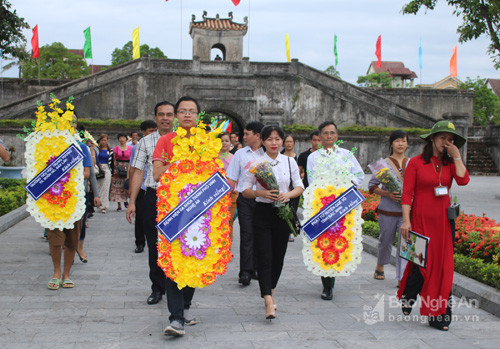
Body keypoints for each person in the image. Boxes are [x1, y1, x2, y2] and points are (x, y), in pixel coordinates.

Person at [397, 120, 469, 331]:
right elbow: (407, 194)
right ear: (432, 139)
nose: (446, 142)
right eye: (442, 138)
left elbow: (463, 180)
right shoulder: (416, 163)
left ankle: (440, 316)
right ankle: (409, 295)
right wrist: (406, 221)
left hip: (444, 224)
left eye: (450, 139)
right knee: (421, 266)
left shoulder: (450, 163)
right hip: (419, 221)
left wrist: (456, 156)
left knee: (443, 268)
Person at [242, 125, 304, 320]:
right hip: (262, 213)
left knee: (278, 257)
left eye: (277, 139)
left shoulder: (289, 161)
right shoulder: (256, 162)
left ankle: (271, 289)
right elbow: (244, 190)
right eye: (270, 139)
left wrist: (287, 195)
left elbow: (300, 186)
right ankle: (268, 299)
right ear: (263, 142)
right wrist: (261, 193)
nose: (274, 143)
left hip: (283, 213)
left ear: (282, 141)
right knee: (264, 256)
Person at [152, 96, 202, 337]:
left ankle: (185, 306)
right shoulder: (165, 140)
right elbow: (157, 173)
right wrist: (184, 166)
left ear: (198, 116)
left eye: (191, 111)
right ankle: (176, 317)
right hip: (173, 209)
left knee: (194, 258)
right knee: (173, 262)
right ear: (176, 116)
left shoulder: (206, 141)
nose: (187, 115)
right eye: (182, 111)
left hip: (201, 212)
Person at [307, 121, 364, 301]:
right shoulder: (314, 157)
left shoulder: (346, 155)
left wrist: (344, 186)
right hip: (323, 205)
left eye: (332, 133)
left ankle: (333, 278)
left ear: (337, 136)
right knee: (324, 243)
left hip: (343, 206)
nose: (329, 137)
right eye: (326, 133)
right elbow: (311, 180)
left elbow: (359, 176)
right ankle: (327, 284)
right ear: (319, 137)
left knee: (339, 241)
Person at [126, 102, 174, 307]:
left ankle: (177, 285)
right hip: (153, 197)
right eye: (161, 115)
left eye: (169, 114)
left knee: (176, 246)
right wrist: (132, 202)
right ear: (155, 117)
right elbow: (137, 172)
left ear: (175, 117)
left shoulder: (184, 140)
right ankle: (157, 287)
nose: (165, 118)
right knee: (155, 246)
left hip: (178, 199)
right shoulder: (145, 142)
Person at [47, 115, 92, 290]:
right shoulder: (50, 146)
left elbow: (87, 173)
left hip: (74, 199)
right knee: (55, 237)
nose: (69, 126)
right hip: (54, 200)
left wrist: (66, 175)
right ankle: (56, 272)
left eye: (72, 122)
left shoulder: (80, 147)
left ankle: (66, 274)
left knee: (72, 238)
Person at [226, 121, 265, 286]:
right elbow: (232, 178)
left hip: (265, 200)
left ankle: (258, 268)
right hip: (245, 199)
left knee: (261, 235)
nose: (243, 137)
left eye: (247, 134)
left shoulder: (269, 153)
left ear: (257, 135)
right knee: (247, 234)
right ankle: (245, 272)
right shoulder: (240, 154)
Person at [368, 130, 409, 283]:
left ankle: (402, 276)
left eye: (403, 141)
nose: (401, 144)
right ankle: (380, 265)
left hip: (406, 213)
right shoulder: (382, 164)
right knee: (385, 240)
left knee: (405, 244)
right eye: (397, 141)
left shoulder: (412, 163)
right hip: (387, 211)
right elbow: (372, 186)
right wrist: (387, 194)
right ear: (391, 144)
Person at [128, 120, 157, 253]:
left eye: (153, 130)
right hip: (142, 187)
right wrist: (131, 191)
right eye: (150, 130)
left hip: (155, 187)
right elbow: (134, 168)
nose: (152, 133)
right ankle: (140, 242)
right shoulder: (138, 146)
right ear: (143, 132)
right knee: (140, 216)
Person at [76, 128, 102, 264]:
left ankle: (80, 247)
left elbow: (90, 173)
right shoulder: (55, 145)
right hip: (60, 193)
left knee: (81, 223)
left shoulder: (82, 147)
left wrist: (96, 195)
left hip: (80, 192)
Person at [218, 132, 237, 241]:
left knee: (229, 220)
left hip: (231, 193)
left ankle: (227, 247)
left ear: (230, 142)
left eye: (227, 141)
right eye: (222, 141)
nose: (224, 143)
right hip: (216, 193)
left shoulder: (233, 158)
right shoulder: (213, 156)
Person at [280, 134, 299, 242]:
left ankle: (290, 231)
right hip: (283, 189)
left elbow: (300, 171)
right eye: (287, 141)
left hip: (294, 189)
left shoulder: (297, 157)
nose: (289, 144)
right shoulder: (280, 157)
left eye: (291, 141)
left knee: (293, 209)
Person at [110, 134, 132, 211]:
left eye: (123, 138)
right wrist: (114, 170)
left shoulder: (130, 148)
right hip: (118, 167)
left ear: (126, 139)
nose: (122, 139)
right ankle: (119, 204)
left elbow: (131, 160)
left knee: (126, 184)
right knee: (117, 187)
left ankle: (125, 200)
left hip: (127, 166)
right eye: (120, 138)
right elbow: (114, 160)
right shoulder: (115, 149)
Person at [97, 134, 113, 214]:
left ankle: (104, 206)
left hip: (106, 169)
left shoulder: (110, 151)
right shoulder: (97, 149)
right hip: (99, 169)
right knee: (98, 187)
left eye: (105, 140)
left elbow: (113, 162)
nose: (104, 142)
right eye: (102, 140)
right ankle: (98, 203)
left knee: (105, 188)